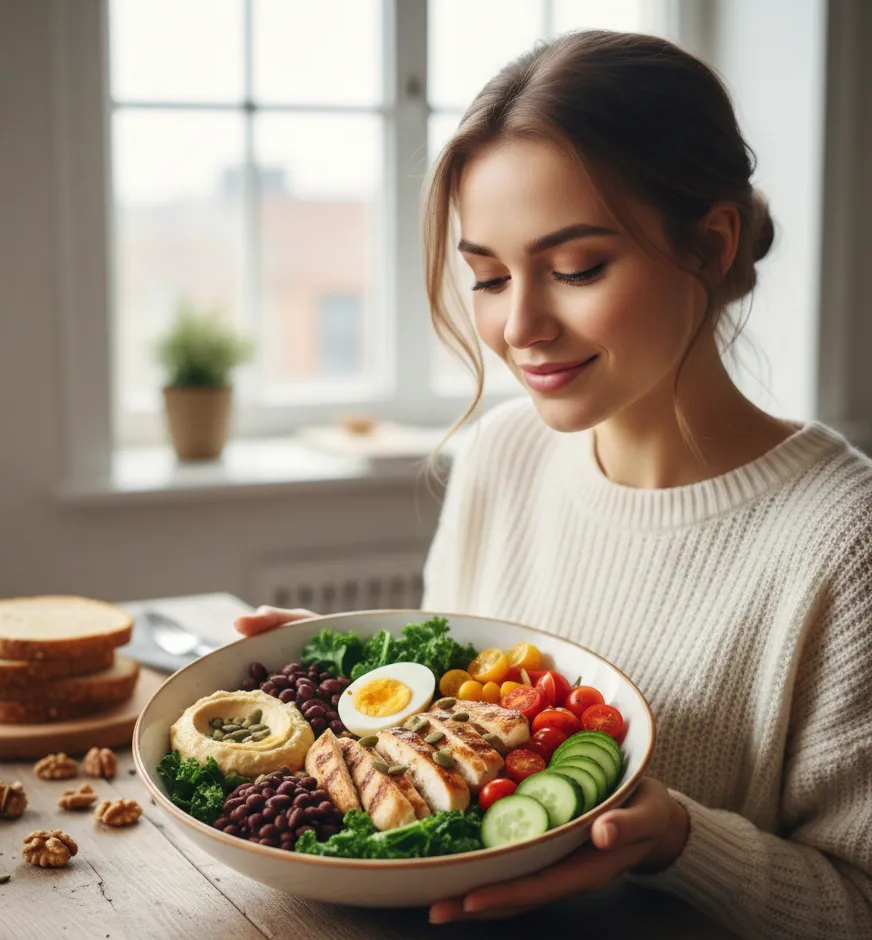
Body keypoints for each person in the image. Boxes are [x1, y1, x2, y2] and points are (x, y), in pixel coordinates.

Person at [235, 30, 871, 938]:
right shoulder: (503, 453)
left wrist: (679, 841)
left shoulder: (846, 539)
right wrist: (356, 683)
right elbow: (458, 725)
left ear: (710, 245)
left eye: (576, 269)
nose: (520, 325)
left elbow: (858, 900)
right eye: (488, 277)